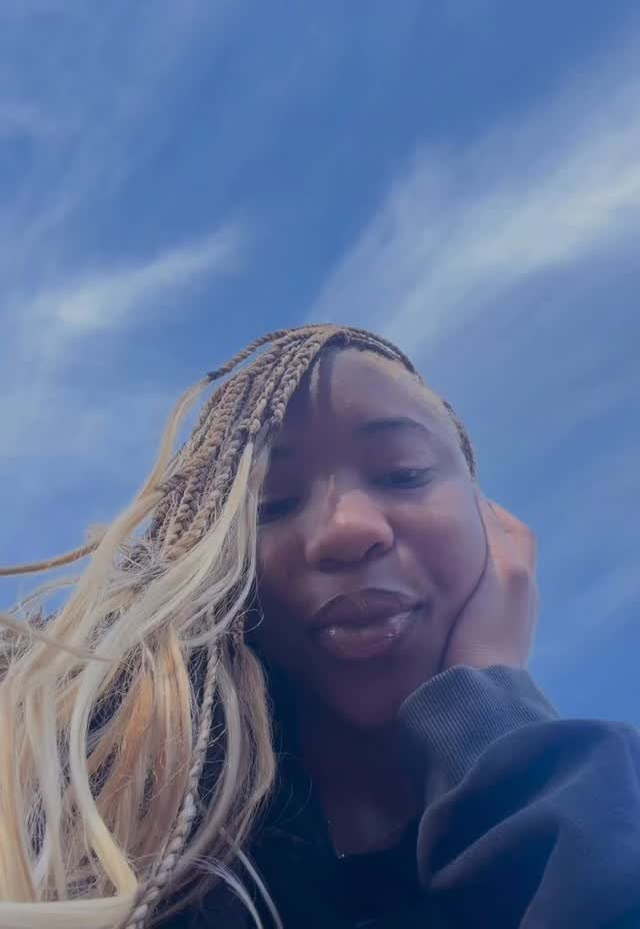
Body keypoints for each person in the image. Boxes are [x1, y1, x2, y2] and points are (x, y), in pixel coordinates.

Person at [0, 324, 638, 929]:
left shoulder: (603, 795)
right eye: (272, 504)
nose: (346, 529)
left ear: (496, 529)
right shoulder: (59, 822)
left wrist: (486, 697)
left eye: (404, 474)